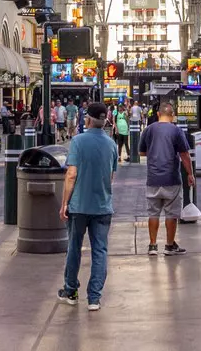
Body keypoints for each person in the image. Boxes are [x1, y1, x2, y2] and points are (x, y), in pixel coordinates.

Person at [59, 101, 118, 311]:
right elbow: (110, 177)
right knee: (100, 250)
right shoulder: (112, 144)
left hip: (79, 205)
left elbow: (71, 174)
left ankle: (71, 290)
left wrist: (65, 202)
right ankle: (94, 298)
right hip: (102, 205)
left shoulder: (77, 141)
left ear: (88, 119)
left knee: (74, 248)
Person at [140, 100, 193, 256]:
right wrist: (190, 174)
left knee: (153, 213)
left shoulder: (148, 130)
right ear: (172, 115)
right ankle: (169, 245)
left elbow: (142, 153)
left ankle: (152, 245)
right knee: (171, 213)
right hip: (171, 178)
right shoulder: (176, 131)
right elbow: (184, 154)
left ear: (158, 114)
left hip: (153, 178)